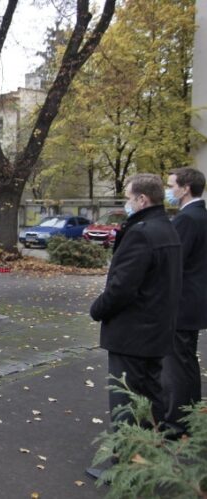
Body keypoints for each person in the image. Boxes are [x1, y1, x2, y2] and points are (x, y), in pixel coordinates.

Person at [87, 174, 181, 478]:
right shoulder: (166, 227)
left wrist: (97, 309)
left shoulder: (141, 233)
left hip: (132, 334)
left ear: (142, 199)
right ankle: (149, 459)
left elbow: (122, 288)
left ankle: (125, 468)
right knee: (151, 396)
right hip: (156, 330)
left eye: (128, 196)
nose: (126, 202)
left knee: (125, 400)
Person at [161, 167, 207, 437]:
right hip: (194, 301)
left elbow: (173, 262)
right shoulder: (201, 216)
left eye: (171, 185)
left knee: (176, 365)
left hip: (181, 303)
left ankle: (176, 423)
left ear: (186, 187)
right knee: (186, 362)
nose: (169, 190)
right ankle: (190, 415)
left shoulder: (187, 220)